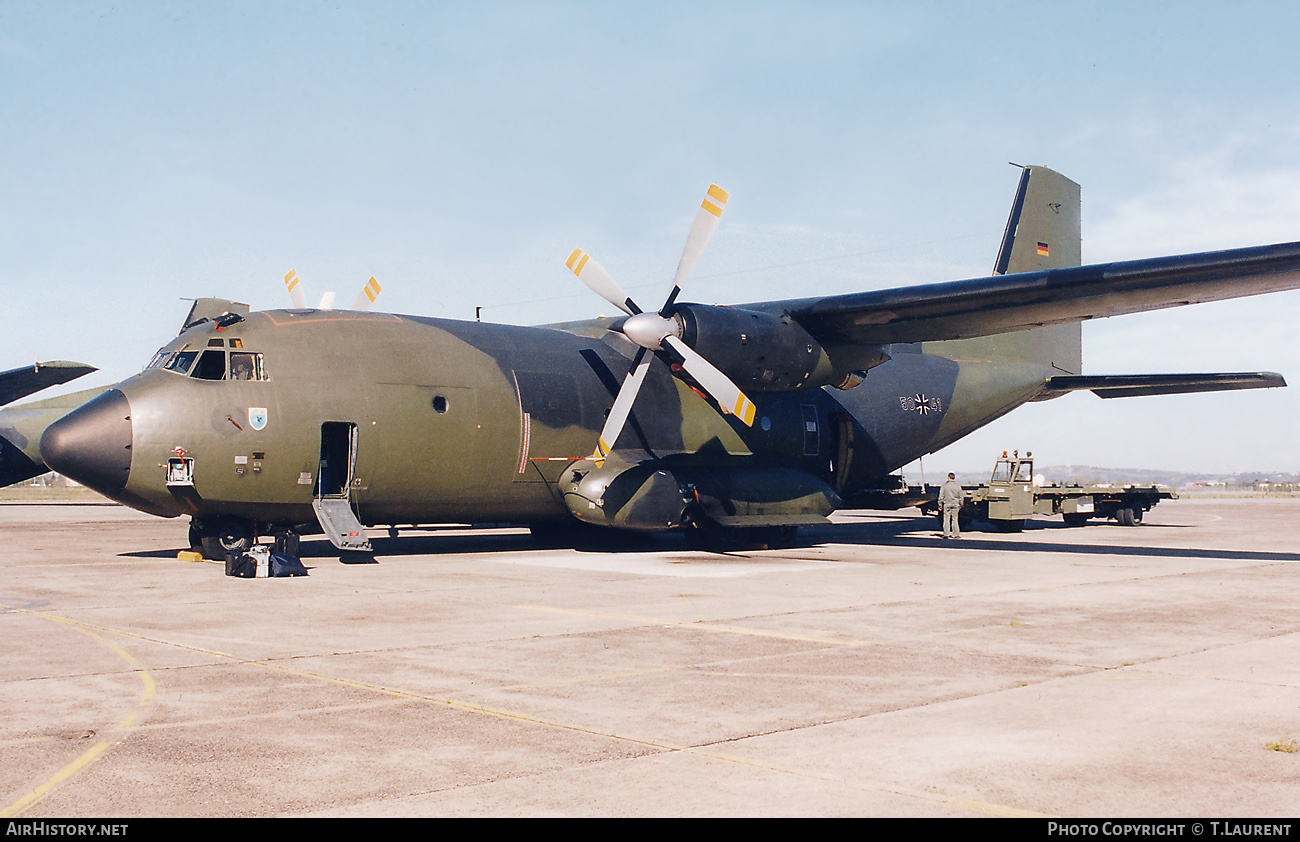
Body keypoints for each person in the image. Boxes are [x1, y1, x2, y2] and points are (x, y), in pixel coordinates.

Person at [939, 472, 964, 539]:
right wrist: (961, 505)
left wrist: (940, 505)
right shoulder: (958, 486)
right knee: (955, 519)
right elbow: (961, 497)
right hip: (955, 504)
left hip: (947, 504)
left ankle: (946, 534)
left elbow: (941, 496)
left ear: (948, 477)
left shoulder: (944, 486)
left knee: (946, 519)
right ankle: (956, 534)